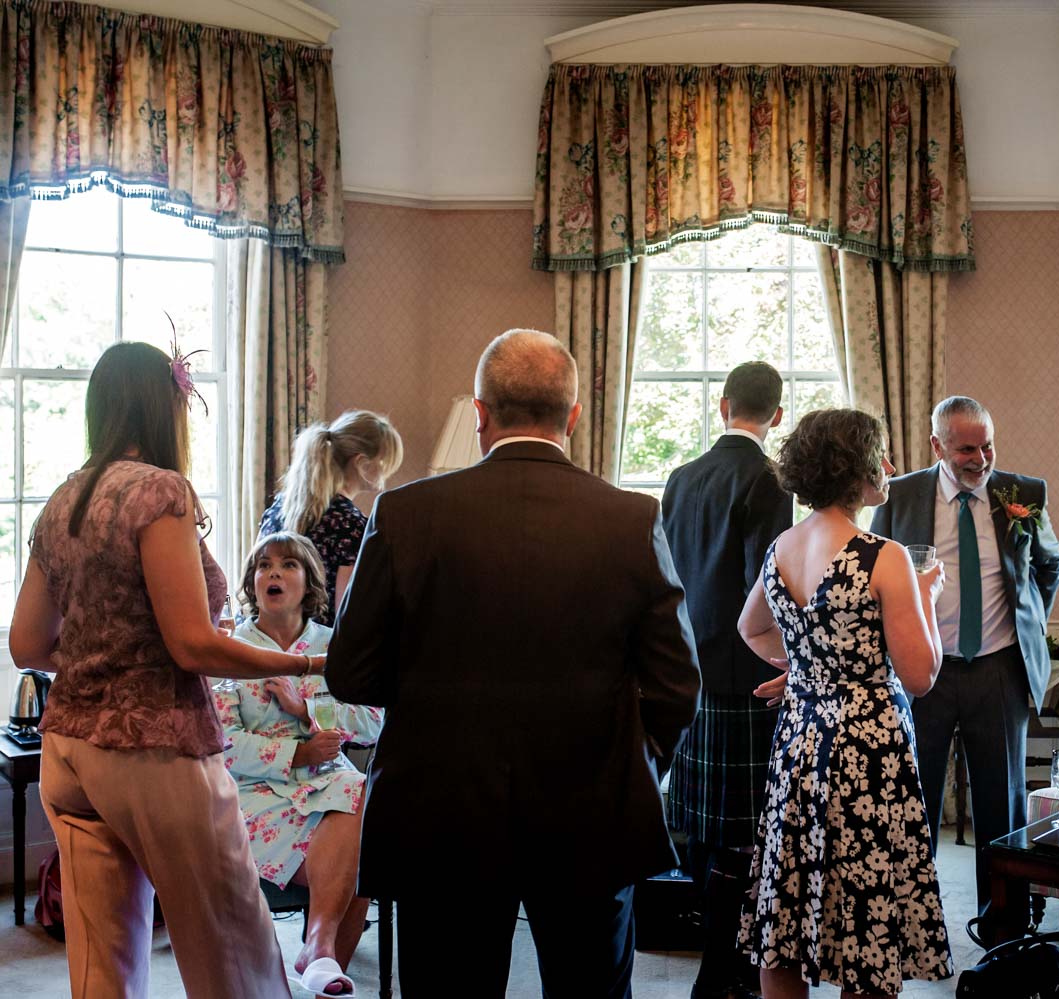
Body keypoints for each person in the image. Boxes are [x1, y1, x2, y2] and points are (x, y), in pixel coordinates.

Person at [326, 328, 701, 998]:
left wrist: (426, 697)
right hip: (591, 811)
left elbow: (350, 670)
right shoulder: (629, 518)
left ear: (479, 412)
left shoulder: (405, 515)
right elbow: (677, 684)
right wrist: (630, 760)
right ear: (574, 416)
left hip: (441, 809)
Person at [10, 341, 327, 998]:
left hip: (68, 751)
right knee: (233, 949)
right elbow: (192, 646)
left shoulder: (64, 498)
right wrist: (308, 659)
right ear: (168, 408)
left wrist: (101, 657)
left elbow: (26, 643)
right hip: (154, 747)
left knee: (103, 964)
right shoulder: (159, 491)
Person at [738, 407, 952, 999]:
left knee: (789, 905)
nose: (888, 467)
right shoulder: (883, 555)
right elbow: (921, 675)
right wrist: (928, 600)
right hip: (868, 749)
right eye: (879, 455)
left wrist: (807, 669)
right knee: (866, 918)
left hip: (801, 743)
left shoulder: (784, 544)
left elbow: (751, 628)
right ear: (852, 467)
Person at [869, 395, 1059, 914]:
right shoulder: (901, 496)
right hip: (923, 670)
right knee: (915, 798)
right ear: (937, 445)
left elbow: (1049, 564)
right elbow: (875, 580)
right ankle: (914, 920)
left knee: (1003, 802)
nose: (979, 458)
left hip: (999, 666)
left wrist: (1029, 620)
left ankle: (1004, 922)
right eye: (965, 450)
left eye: (987, 446)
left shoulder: (1022, 493)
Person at [661, 361, 794, 999]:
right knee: (744, 835)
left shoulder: (681, 478)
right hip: (745, 680)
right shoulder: (768, 481)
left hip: (689, 671)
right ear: (777, 412)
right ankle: (727, 967)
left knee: (704, 828)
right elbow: (764, 593)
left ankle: (720, 961)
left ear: (722, 406)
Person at [217, 532, 385, 997]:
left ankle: (320, 951)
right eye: (264, 565)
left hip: (330, 781)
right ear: (252, 583)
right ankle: (321, 953)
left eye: (288, 564)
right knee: (362, 852)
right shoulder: (230, 651)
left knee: (362, 801)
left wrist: (305, 711)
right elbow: (223, 743)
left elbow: (372, 721)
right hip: (257, 791)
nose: (273, 572)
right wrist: (295, 754)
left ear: (309, 581)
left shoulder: (334, 648)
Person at [259, 410, 404, 622]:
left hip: (267, 642)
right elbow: (345, 616)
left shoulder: (279, 508)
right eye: (384, 465)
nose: (387, 474)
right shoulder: (351, 525)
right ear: (362, 464)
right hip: (317, 649)